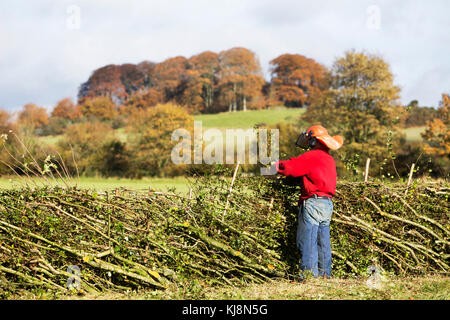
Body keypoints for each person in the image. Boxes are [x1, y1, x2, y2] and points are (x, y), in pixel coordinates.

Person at [276, 125, 343, 279]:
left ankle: (309, 276)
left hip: (313, 202)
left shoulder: (312, 156)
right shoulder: (329, 159)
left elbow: (291, 168)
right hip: (327, 203)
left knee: (307, 240)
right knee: (323, 241)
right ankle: (325, 275)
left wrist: (274, 165)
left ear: (313, 141)